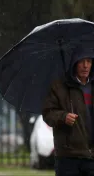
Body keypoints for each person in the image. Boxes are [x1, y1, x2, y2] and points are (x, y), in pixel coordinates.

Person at [42, 46, 94, 176]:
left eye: (89, 61)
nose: (85, 66)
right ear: (74, 63)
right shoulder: (59, 87)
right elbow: (48, 114)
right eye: (82, 61)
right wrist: (63, 117)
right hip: (68, 157)